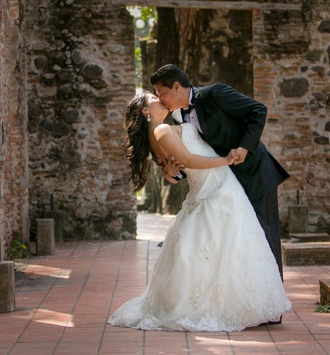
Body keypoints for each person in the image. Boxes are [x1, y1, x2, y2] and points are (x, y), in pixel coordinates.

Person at [107, 92, 292, 332]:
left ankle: (222, 303)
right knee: (230, 245)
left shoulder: (160, 131)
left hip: (211, 187)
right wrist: (225, 161)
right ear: (145, 111)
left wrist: (172, 173)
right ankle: (225, 306)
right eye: (154, 97)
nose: (160, 98)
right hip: (216, 186)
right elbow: (190, 160)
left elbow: (172, 173)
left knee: (220, 248)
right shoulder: (161, 130)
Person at [150, 65, 290, 279]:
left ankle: (274, 304)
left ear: (176, 86)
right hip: (227, 183)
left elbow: (257, 110)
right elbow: (196, 155)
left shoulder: (214, 94)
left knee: (265, 237)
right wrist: (175, 173)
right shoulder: (180, 118)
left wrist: (244, 147)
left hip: (255, 174)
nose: (161, 99)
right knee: (242, 244)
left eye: (162, 93)